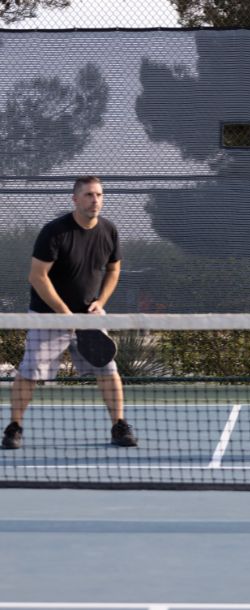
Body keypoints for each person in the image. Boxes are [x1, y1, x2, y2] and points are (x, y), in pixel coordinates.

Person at [2, 176, 137, 450]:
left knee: (108, 370)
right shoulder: (55, 232)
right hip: (49, 316)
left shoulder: (108, 231)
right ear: (75, 199)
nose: (95, 200)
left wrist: (100, 301)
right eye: (88, 195)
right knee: (29, 372)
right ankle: (14, 427)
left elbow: (114, 270)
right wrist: (64, 314)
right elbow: (38, 277)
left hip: (89, 315)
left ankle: (119, 425)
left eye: (99, 195)